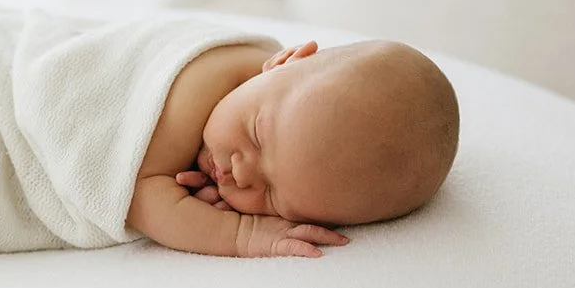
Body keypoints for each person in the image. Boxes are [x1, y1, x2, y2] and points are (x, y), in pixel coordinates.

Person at [127, 38, 459, 259]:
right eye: (256, 135)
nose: (240, 174)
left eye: (272, 197)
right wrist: (243, 233)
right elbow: (138, 199)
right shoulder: (201, 79)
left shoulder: (269, 100)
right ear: (284, 60)